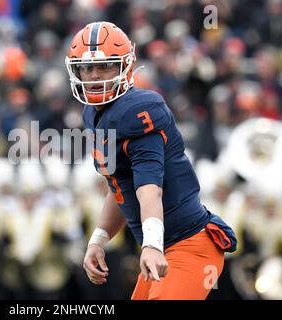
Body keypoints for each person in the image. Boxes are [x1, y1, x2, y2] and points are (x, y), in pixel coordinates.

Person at [65, 21, 237, 300]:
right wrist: (99, 239)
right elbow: (120, 185)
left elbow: (149, 188)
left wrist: (153, 245)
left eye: (105, 66)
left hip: (189, 245)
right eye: (87, 68)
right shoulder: (93, 114)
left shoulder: (139, 111)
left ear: (125, 66)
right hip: (165, 246)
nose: (95, 75)